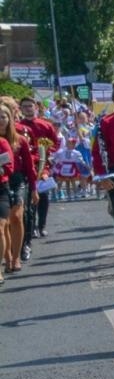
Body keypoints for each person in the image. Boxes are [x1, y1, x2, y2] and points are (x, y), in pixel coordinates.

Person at [0, 99, 35, 272]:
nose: (1, 120)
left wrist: (34, 189)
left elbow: (30, 166)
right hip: (2, 181)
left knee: (16, 217)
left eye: (4, 117)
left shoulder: (20, 139)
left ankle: (16, 257)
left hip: (18, 180)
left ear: (10, 118)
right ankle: (7, 257)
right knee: (4, 222)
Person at [17, 96, 57, 243]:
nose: (28, 109)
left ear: (36, 108)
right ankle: (31, 226)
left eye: (30, 106)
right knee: (29, 198)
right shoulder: (18, 126)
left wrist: (48, 152)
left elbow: (55, 143)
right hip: (26, 166)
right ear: (20, 109)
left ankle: (42, 225)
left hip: (43, 166)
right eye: (25, 106)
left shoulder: (46, 125)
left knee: (43, 196)